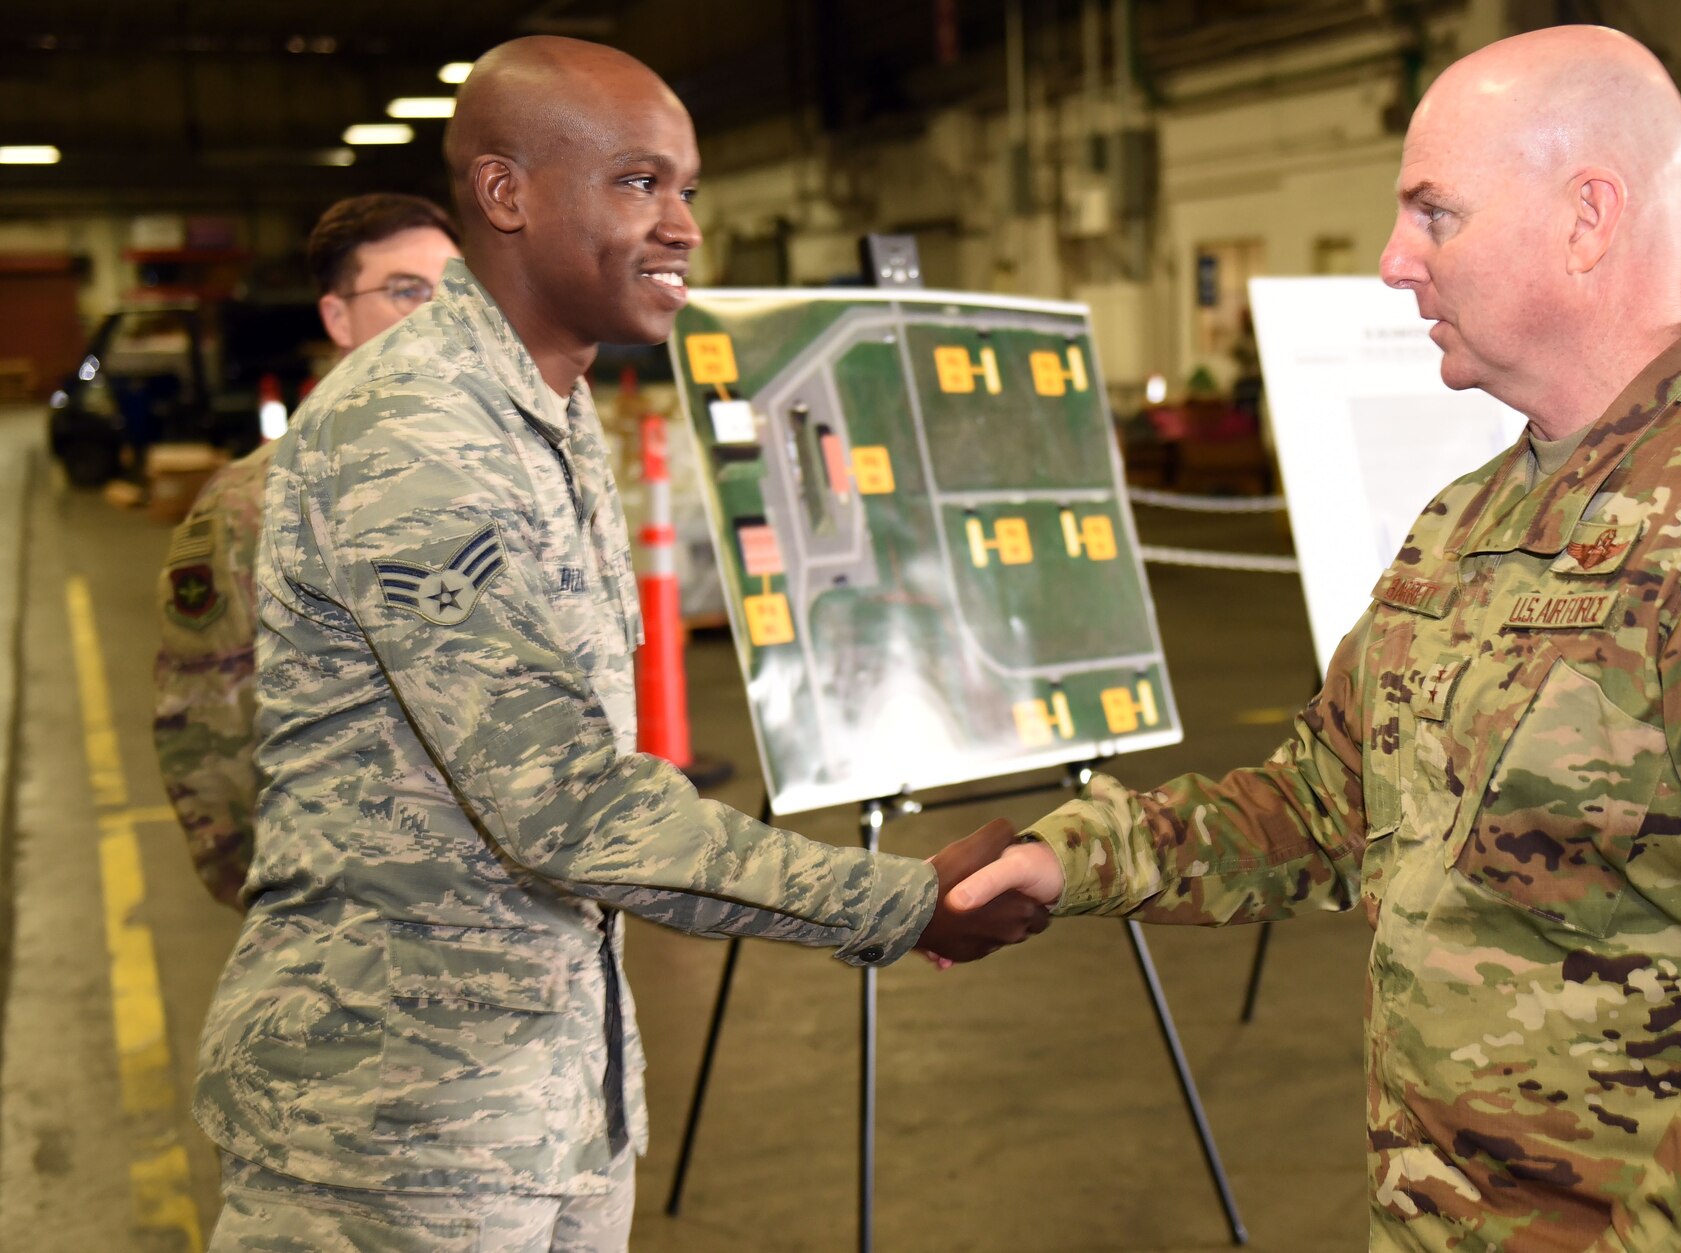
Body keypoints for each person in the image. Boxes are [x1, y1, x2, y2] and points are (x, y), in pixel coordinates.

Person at [951, 24, 1681, 1250]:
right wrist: (1073, 855)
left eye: (1432, 214)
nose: (1393, 261)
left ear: (1586, 218)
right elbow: (1330, 795)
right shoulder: (1472, 520)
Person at [195, 37, 1044, 1250]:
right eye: (639, 183)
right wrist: (898, 901)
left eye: (687, 187)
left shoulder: (548, 401)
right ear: (506, 194)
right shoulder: (413, 431)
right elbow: (568, 808)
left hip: (545, 1108)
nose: (684, 224)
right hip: (387, 1141)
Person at [153, 193, 462, 910]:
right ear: (337, 317)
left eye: (453, 292)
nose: (435, 314)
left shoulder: (501, 479)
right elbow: (209, 727)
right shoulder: (254, 501)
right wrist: (291, 910)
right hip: (358, 923)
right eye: (404, 291)